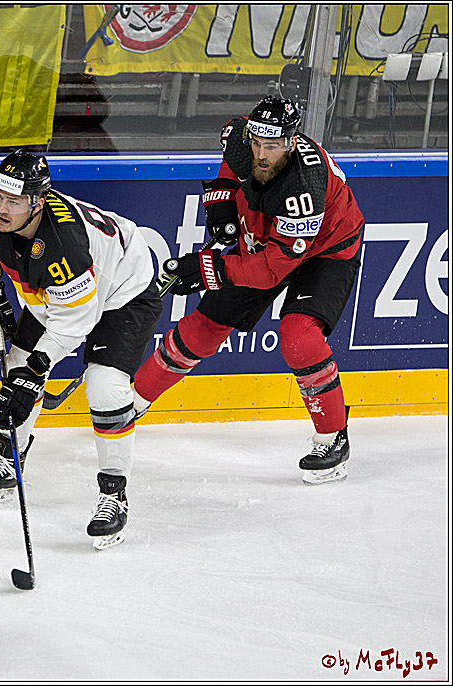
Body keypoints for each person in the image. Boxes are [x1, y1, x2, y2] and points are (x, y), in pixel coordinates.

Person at [133, 96, 364, 485]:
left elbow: (271, 270)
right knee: (205, 324)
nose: (261, 153)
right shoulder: (248, 139)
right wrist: (221, 203)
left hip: (326, 248)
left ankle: (332, 437)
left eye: (272, 147)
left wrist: (206, 269)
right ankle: (132, 401)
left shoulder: (304, 188)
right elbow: (232, 161)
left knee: (298, 336)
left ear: (291, 143)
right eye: (257, 142)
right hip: (265, 235)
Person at [0, 150, 163, 549]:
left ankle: (114, 494)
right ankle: (11, 459)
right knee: (17, 363)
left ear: (37, 202)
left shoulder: (64, 247)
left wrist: (35, 373)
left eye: (14, 201)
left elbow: (75, 324)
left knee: (105, 387)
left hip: (123, 290)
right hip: (60, 296)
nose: (1, 207)